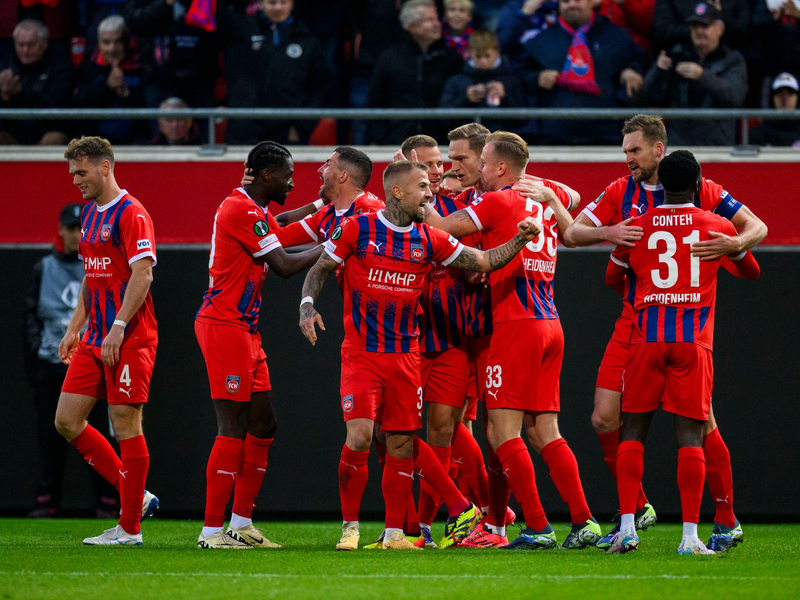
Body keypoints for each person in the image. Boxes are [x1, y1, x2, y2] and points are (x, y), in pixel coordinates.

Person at [298, 160, 541, 550]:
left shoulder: (430, 238)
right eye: (423, 189)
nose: (430, 195)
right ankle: (350, 526)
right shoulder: (358, 229)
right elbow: (321, 267)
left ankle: (396, 532)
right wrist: (307, 304)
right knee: (360, 436)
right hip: (361, 353)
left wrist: (520, 240)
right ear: (398, 192)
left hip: (405, 358)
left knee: (400, 444)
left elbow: (481, 261)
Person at [563, 114, 768, 552]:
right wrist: (609, 231)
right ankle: (643, 512)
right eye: (625, 151)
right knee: (606, 418)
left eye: (634, 150)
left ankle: (723, 517)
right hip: (651, 326)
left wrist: (734, 242)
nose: (627, 159)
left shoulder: (702, 190)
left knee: (688, 425)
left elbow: (758, 227)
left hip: (652, 325)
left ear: (659, 149)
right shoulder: (624, 190)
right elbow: (575, 232)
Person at [424, 131, 600, 550]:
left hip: (513, 324)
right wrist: (547, 188)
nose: (477, 172)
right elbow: (573, 197)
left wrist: (418, 190)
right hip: (550, 321)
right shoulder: (543, 194)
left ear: (501, 168)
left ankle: (537, 527)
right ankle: (584, 521)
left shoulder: (499, 200)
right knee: (545, 432)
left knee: (502, 434)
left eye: (482, 164)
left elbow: (442, 230)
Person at [604, 150, 760, 555]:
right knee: (691, 434)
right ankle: (691, 537)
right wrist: (731, 248)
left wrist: (647, 285)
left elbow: (611, 278)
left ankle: (626, 528)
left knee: (632, 431)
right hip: (693, 342)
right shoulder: (715, 225)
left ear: (660, 185)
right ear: (698, 184)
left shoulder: (637, 226)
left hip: (646, 338)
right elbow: (751, 272)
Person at [194, 141, 325, 550]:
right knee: (231, 426)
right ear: (266, 175)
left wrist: (313, 210)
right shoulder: (240, 209)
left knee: (264, 424)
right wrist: (339, 245)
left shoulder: (251, 209)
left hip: (245, 329)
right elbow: (284, 265)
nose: (292, 181)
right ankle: (212, 532)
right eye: (288, 174)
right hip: (223, 325)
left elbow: (275, 223)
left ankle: (241, 523)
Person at [54, 136, 159, 545]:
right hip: (95, 336)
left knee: (125, 424)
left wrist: (117, 325)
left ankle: (129, 528)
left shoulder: (132, 214)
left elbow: (143, 274)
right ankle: (136, 492)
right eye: (72, 173)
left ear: (104, 167)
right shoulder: (88, 213)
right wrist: (73, 326)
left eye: (81, 172)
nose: (76, 180)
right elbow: (92, 273)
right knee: (66, 420)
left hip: (129, 336)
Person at [24, 203, 118, 520]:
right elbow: (30, 315)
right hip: (51, 362)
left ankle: (109, 501)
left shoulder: (96, 265)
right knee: (51, 436)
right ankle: (46, 500)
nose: (78, 234)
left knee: (101, 433)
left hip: (92, 358)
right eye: (72, 228)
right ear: (61, 231)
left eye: (82, 229)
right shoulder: (43, 268)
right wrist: (39, 349)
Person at [521, 0, 649, 145]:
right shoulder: (541, 41)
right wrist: (537, 78)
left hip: (606, 136)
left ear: (592, 3)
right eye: (565, 1)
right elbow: (520, 74)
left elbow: (642, 58)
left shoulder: (615, 35)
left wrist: (632, 69)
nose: (572, 5)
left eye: (578, 0)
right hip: (554, 137)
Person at [218, 0, 331, 145]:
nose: (278, 7)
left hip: (287, 133)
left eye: (283, 2)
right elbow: (221, 12)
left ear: (292, 4)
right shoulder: (240, 30)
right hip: (244, 131)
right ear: (260, 4)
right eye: (272, 2)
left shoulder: (307, 39)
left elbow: (320, 89)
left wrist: (301, 127)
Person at [643, 2, 747, 146]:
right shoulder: (677, 55)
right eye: (694, 26)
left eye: (704, 26)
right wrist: (658, 71)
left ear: (720, 29)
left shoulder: (733, 60)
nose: (698, 31)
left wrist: (703, 76)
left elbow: (735, 96)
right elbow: (652, 96)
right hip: (679, 145)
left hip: (717, 148)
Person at [367, 0, 463, 144]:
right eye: (429, 20)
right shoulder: (389, 58)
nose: (437, 24)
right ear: (411, 26)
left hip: (442, 145)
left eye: (436, 19)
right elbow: (376, 102)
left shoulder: (453, 59)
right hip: (398, 144)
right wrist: (382, 138)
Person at [73, 15, 147, 145]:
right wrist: (107, 87)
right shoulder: (89, 66)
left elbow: (149, 110)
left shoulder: (142, 64)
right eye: (106, 42)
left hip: (134, 142)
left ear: (127, 42)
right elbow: (78, 103)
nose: (112, 49)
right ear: (98, 43)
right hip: (94, 142)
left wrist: (126, 94)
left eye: (118, 42)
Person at [0, 20, 72, 145]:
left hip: (46, 131)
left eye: (31, 44)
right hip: (13, 134)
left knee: (54, 139)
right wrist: (4, 96)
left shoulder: (60, 68)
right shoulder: (6, 68)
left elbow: (55, 107)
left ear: (44, 44)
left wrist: (19, 93)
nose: (25, 50)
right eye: (21, 45)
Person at [439, 30, 527, 133]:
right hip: (467, 144)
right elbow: (444, 119)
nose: (483, 61)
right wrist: (466, 99)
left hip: (501, 145)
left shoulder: (512, 81)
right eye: (478, 56)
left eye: (487, 56)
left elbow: (523, 120)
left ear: (497, 52)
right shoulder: (456, 81)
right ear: (470, 52)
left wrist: (505, 97)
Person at [750, 72, 800, 147]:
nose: (785, 98)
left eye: (790, 93)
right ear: (772, 98)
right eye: (780, 93)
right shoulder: (758, 134)